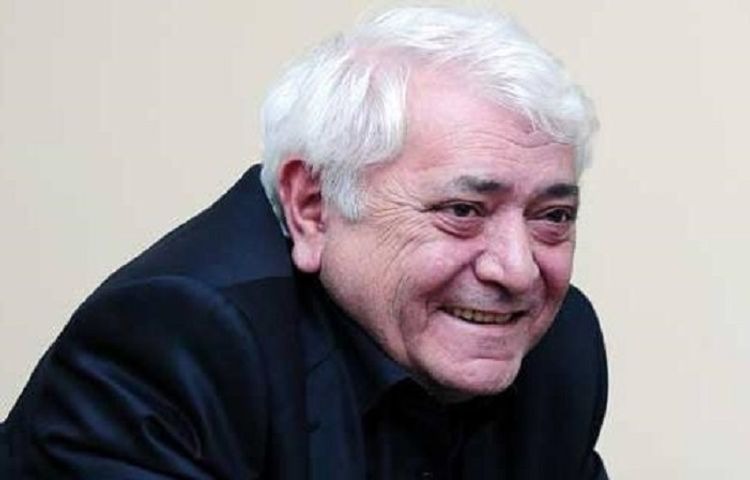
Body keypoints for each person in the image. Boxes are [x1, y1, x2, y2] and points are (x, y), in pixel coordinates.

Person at [1, 6, 608, 479]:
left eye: (553, 216)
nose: (518, 270)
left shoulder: (556, 349)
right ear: (312, 207)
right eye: (462, 211)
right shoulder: (179, 341)